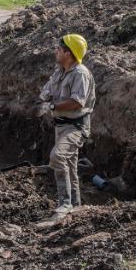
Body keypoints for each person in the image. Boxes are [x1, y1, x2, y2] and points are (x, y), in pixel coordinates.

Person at [36, 34, 95, 225]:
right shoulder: (60, 71)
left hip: (76, 127)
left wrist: (52, 107)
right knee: (69, 165)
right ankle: (76, 206)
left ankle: (64, 204)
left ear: (68, 53)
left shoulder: (80, 74)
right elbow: (46, 92)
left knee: (58, 156)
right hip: (61, 126)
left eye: (59, 49)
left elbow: (77, 102)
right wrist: (47, 99)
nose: (56, 51)